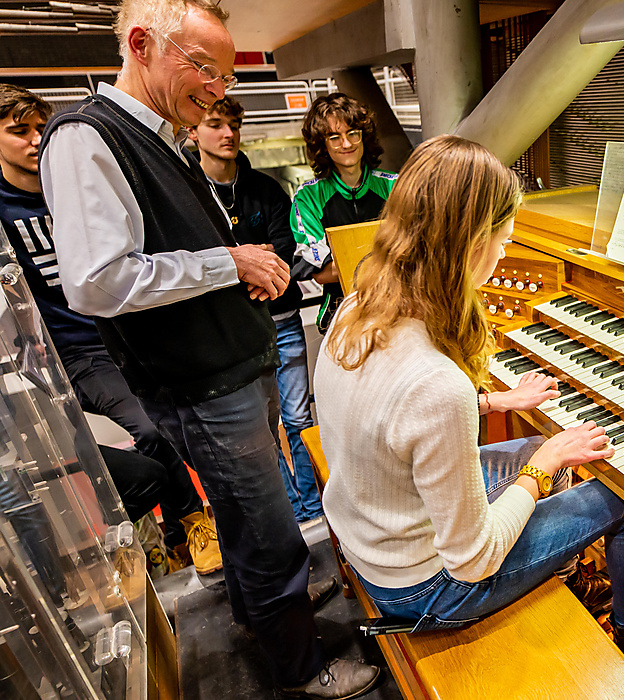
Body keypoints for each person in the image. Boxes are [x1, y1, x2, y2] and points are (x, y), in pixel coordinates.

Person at [38, 1, 377, 697]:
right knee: (271, 529)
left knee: (248, 523)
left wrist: (240, 268)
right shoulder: (85, 138)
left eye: (225, 75)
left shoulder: (158, 133)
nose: (217, 90)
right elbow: (98, 281)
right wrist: (232, 264)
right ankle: (301, 668)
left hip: (227, 372)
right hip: (203, 385)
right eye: (204, 69)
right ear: (140, 44)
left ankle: (264, 612)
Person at [315, 134, 624, 680]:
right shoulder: (435, 383)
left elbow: (391, 414)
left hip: (371, 529)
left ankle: (566, 575)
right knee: (623, 496)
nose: (503, 254)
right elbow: (472, 559)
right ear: (471, 242)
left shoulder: (361, 303)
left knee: (535, 447)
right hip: (425, 587)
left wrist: (495, 400)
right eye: (503, 239)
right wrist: (541, 468)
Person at [0, 83, 222, 575]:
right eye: (19, 131)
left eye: (40, 127)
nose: (36, 139)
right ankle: (172, 527)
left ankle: (181, 526)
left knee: (161, 424)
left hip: (118, 334)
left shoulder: (70, 183)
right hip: (61, 355)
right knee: (123, 442)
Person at [189, 96, 323, 522]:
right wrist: (244, 261)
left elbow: (285, 251)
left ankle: (314, 504)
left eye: (233, 125)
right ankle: (290, 511)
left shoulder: (265, 188)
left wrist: (239, 261)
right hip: (237, 332)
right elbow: (195, 259)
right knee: (263, 428)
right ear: (193, 131)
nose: (228, 134)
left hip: (282, 321)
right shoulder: (190, 193)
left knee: (300, 418)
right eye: (214, 124)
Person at [291, 93, 396, 333]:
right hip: (341, 315)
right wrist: (389, 258)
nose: (346, 144)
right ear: (323, 145)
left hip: (398, 307)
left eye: (352, 134)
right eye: (335, 137)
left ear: (363, 136)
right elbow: (321, 273)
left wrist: (348, 263)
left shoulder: (396, 186)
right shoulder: (308, 197)